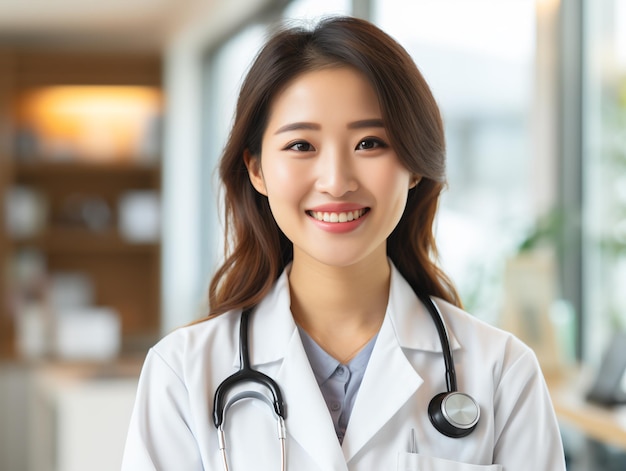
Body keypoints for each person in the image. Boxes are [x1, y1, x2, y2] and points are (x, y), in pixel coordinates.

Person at [121, 16, 566, 471]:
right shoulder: (181, 374)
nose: (336, 182)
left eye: (370, 142)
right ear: (256, 170)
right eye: (301, 146)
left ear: (413, 165)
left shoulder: (502, 372)